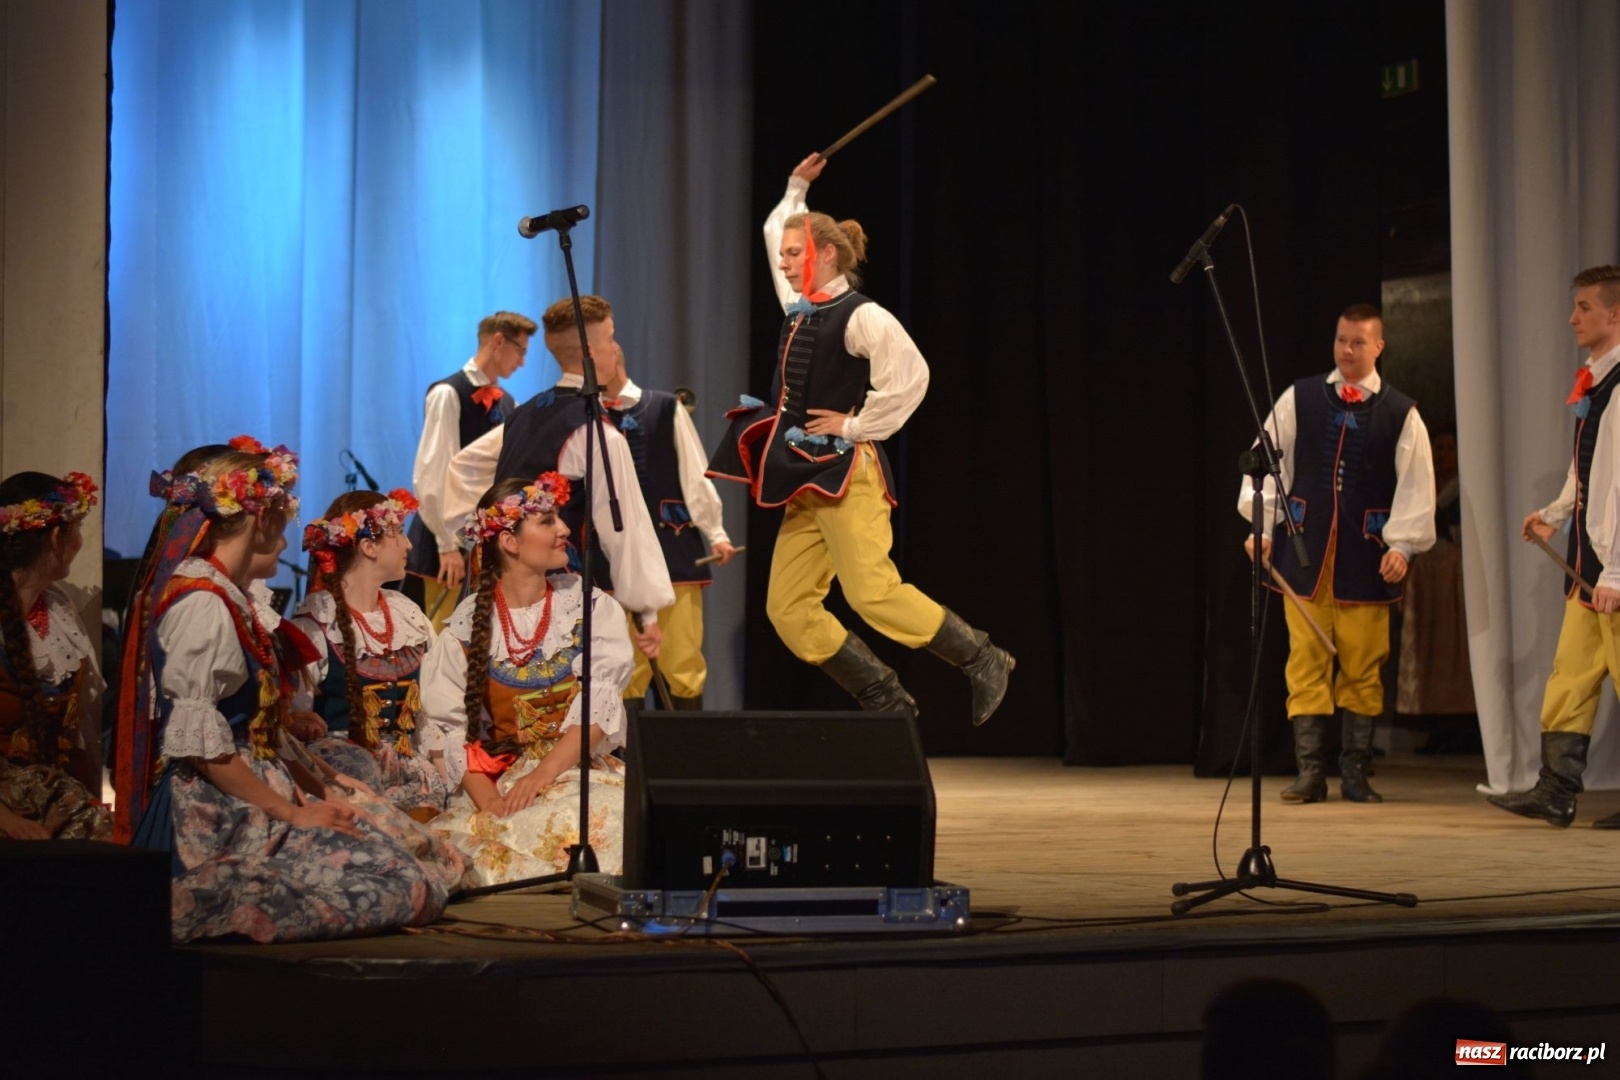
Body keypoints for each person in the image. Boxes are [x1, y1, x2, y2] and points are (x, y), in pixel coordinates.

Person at [708, 152, 1014, 725]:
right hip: (803, 479)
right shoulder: (800, 306)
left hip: (846, 475)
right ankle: (884, 695)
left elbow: (911, 377)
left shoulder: (861, 315)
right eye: (783, 256)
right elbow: (776, 230)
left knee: (871, 591)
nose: (783, 262)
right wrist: (796, 187)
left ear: (826, 254)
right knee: (787, 608)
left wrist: (854, 426)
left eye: (795, 254)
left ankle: (981, 656)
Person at [121, 438, 450, 942]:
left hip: (264, 787)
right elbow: (202, 749)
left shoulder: (229, 596)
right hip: (222, 808)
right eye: (283, 518)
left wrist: (318, 786)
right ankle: (211, 901)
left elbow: (262, 731)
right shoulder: (202, 603)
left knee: (418, 869)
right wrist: (292, 810)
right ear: (259, 520)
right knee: (405, 884)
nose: (287, 537)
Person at [1242, 303, 1436, 803]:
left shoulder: (1401, 412)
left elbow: (1417, 488)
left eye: (1358, 342)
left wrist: (1402, 546)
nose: (1347, 350)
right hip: (1304, 554)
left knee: (1364, 667)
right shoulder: (1300, 398)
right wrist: (1262, 526)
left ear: (1378, 347)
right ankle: (1310, 772)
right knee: (1305, 663)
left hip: (1364, 561)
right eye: (1341, 340)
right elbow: (1268, 465)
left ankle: (1355, 772)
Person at [422, 473, 633, 888]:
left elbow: (598, 708)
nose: (564, 529)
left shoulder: (588, 607)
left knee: (601, 821)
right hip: (505, 780)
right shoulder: (466, 628)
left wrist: (541, 776)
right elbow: (447, 732)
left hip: (576, 771)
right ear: (510, 541)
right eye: (548, 521)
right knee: (471, 848)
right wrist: (490, 803)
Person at [444, 297, 675, 665]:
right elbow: (623, 527)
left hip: (494, 579)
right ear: (589, 352)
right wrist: (646, 612)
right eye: (610, 338)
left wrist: (477, 535)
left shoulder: (524, 413)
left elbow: (463, 466)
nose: (616, 348)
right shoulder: (597, 432)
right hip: (550, 589)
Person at [1492, 265, 1620, 828]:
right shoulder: (1599, 383)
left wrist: (1616, 572)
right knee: (1570, 676)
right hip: (1589, 565)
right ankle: (1556, 790)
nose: (1573, 318)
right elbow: (1587, 468)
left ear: (1615, 313)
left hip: (1611, 569)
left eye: (1584, 307)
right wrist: (1554, 514)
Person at [289, 489, 450, 820]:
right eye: (399, 534)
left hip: (411, 772)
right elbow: (294, 725)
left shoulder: (407, 614)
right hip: (347, 772)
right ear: (368, 547)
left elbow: (430, 714)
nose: (409, 545)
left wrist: (447, 776)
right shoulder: (316, 624)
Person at [0, 470, 111, 840]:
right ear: (56, 536)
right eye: (76, 528)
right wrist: (7, 820)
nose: (79, 541)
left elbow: (76, 732)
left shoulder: (58, 608)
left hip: (47, 795)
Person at [405, 311, 531, 632]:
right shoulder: (448, 393)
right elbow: (432, 472)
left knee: (483, 635)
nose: (522, 361)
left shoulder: (509, 404)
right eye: (520, 350)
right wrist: (447, 543)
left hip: (482, 539)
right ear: (498, 341)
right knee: (444, 634)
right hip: (446, 540)